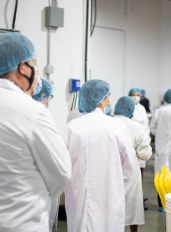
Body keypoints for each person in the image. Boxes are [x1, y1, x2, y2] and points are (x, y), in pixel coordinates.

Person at [0, 32, 71, 232]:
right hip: (22, 223)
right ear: (22, 68)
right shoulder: (33, 113)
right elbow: (62, 174)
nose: (37, 72)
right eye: (34, 64)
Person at [65, 79, 133, 232]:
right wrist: (115, 179)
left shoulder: (71, 128)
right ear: (102, 100)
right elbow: (128, 167)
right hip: (110, 194)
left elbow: (63, 165)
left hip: (78, 195)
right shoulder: (117, 127)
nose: (109, 99)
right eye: (108, 96)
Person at [114, 96, 152, 232]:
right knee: (132, 206)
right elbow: (145, 153)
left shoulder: (108, 123)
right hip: (130, 172)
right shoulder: (136, 127)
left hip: (111, 171)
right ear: (131, 110)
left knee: (111, 205)